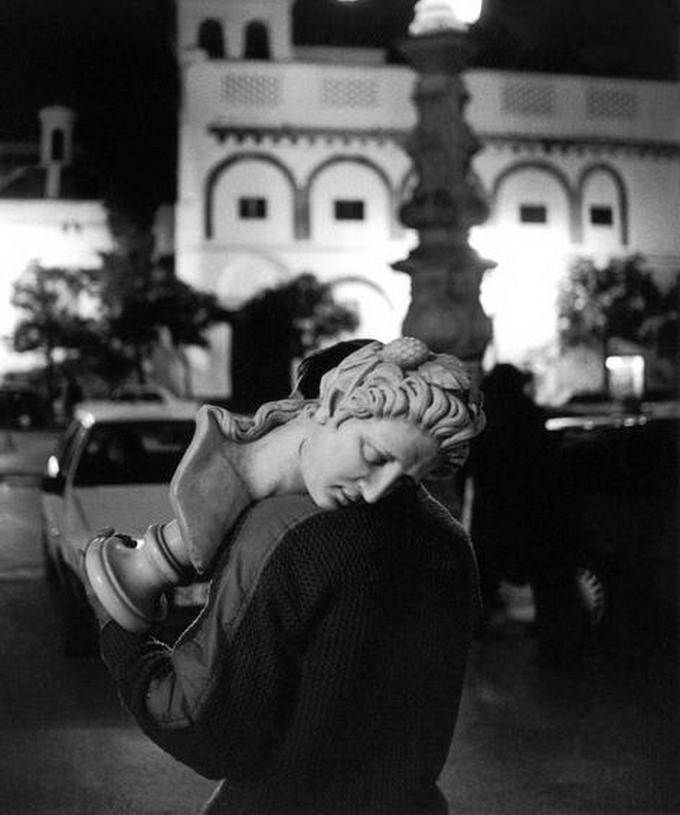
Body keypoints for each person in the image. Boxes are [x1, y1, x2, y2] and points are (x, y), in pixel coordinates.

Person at [84, 336, 485, 815]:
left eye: (399, 472)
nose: (376, 492)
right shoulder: (450, 541)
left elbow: (200, 724)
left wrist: (122, 638)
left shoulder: (284, 534)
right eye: (375, 457)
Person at [466, 363, 586, 663]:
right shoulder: (532, 417)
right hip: (537, 513)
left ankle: (476, 633)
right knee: (552, 581)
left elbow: (465, 471)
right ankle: (559, 643)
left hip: (494, 514)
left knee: (485, 576)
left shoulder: (483, 423)